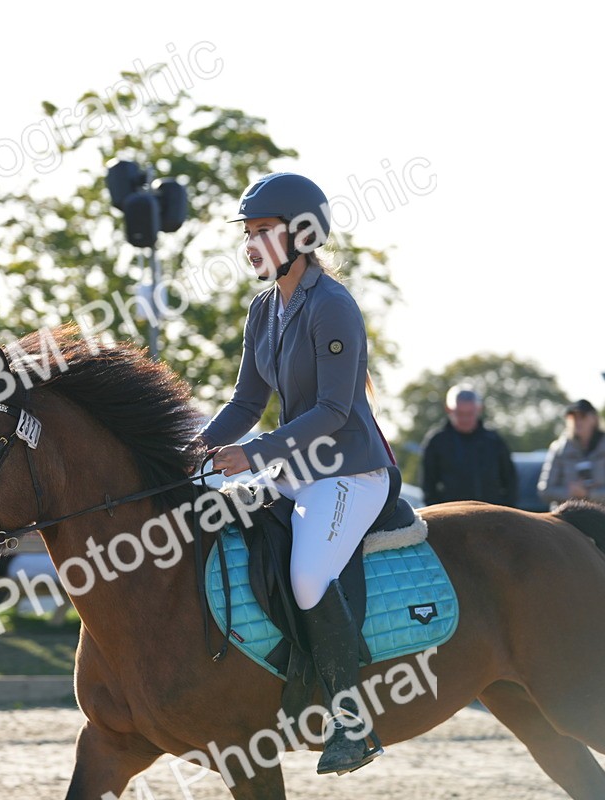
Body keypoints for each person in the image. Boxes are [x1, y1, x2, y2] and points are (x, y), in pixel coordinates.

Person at [198, 172, 394, 775]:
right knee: (211, 513)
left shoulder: (333, 306)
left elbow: (333, 411)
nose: (250, 244)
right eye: (248, 233)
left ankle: (352, 724)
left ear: (301, 235)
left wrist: (253, 455)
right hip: (299, 469)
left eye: (263, 231)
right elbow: (245, 404)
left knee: (308, 577)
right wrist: (198, 448)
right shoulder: (264, 309)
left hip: (350, 470)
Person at [420, 385, 518, 507]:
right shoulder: (436, 441)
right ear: (449, 410)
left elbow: (510, 479)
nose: (465, 419)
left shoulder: (493, 440)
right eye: (460, 413)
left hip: (490, 513)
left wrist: (505, 509)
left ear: (479, 409)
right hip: (451, 513)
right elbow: (428, 485)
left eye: (470, 413)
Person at [539, 399, 605, 520]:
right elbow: (545, 491)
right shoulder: (559, 449)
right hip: (566, 520)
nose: (577, 421)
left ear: (594, 419)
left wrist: (589, 494)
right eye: (573, 417)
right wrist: (571, 493)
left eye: (582, 416)